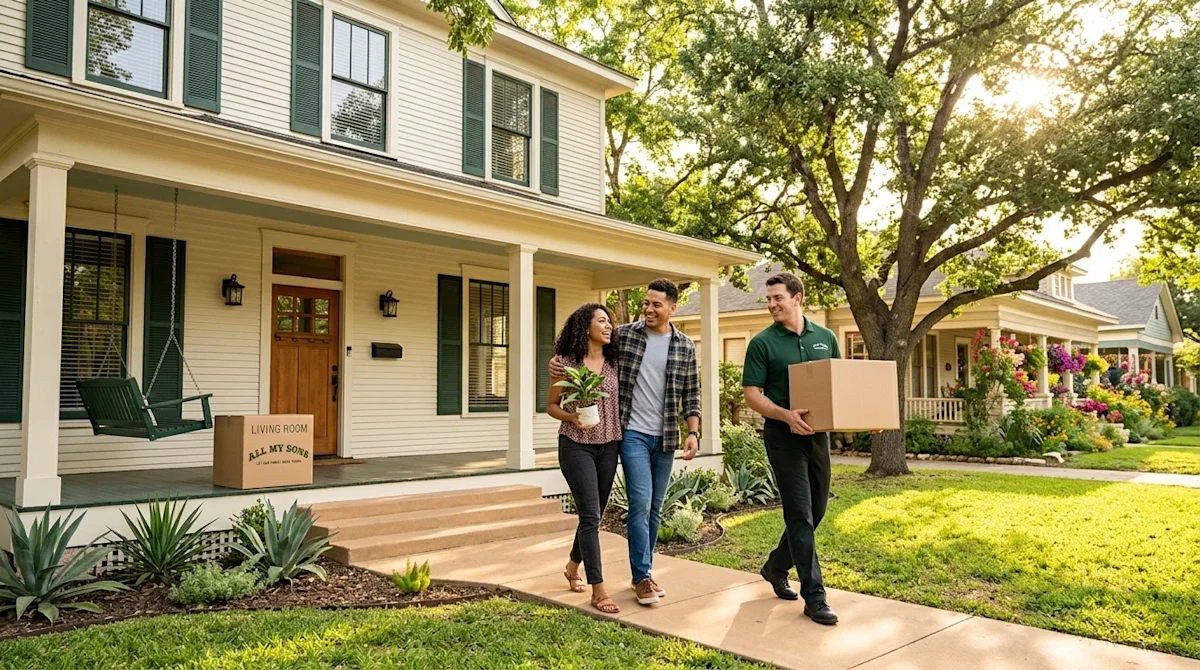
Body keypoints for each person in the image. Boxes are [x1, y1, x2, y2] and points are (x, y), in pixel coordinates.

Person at [552, 279, 700, 607]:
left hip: (665, 436)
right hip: (629, 432)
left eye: (656, 304)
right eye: (646, 303)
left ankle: (576, 565)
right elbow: (583, 342)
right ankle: (641, 576)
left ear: (672, 308)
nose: (648, 309)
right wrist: (556, 362)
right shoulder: (626, 336)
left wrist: (693, 431)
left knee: (651, 507)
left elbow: (692, 393)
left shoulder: (685, 346)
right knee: (640, 503)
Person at [741, 272, 841, 625]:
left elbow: (837, 386)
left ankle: (775, 565)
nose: (771, 305)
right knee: (799, 513)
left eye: (777, 298)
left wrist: (864, 417)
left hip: (817, 437)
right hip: (783, 437)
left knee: (816, 511)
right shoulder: (762, 343)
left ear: (798, 297)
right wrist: (785, 416)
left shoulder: (825, 337)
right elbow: (752, 394)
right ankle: (814, 596)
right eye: (768, 299)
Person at [548, 303, 623, 615]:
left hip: (609, 445)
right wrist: (572, 416)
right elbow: (551, 406)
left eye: (610, 322)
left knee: (595, 514)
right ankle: (599, 588)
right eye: (602, 321)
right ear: (585, 327)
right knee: (590, 515)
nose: (608, 326)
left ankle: (571, 565)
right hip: (576, 444)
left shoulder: (617, 361)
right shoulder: (564, 364)